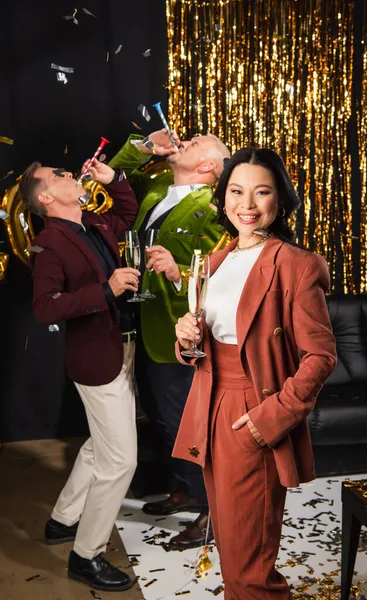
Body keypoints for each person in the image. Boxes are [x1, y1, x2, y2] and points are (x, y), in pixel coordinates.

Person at [174, 147, 337, 599]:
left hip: (253, 412)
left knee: (250, 566)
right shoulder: (215, 261)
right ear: (223, 198)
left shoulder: (296, 265)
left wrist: (271, 418)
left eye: (261, 192)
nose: (247, 205)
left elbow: (321, 356)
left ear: (280, 200)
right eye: (237, 191)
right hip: (209, 408)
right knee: (232, 550)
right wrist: (188, 339)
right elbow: (207, 344)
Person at [19, 159, 139, 592]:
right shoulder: (49, 243)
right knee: (120, 460)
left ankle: (61, 520)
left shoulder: (90, 223)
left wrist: (117, 180)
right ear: (47, 198)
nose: (72, 175)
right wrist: (106, 289)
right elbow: (46, 307)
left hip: (121, 347)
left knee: (98, 445)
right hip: (96, 359)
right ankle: (85, 556)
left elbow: (127, 217)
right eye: (60, 176)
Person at [109, 130, 230, 549]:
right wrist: (142, 147)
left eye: (199, 142)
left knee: (189, 425)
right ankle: (186, 490)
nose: (189, 139)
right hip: (145, 323)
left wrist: (178, 272)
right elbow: (113, 179)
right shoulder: (158, 185)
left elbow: (223, 273)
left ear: (209, 168)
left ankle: (215, 512)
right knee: (163, 421)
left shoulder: (214, 208)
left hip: (182, 333)